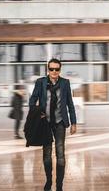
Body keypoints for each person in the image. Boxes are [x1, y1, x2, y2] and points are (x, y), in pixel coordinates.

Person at [29, 58, 77, 191]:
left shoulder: (65, 83)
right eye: (51, 69)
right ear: (48, 69)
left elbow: (70, 104)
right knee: (47, 154)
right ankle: (49, 181)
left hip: (60, 122)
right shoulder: (41, 82)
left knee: (60, 154)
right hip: (45, 123)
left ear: (60, 70)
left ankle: (59, 185)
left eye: (57, 69)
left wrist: (73, 122)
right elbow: (32, 100)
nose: (54, 71)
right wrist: (38, 112)